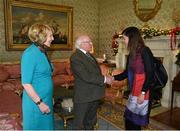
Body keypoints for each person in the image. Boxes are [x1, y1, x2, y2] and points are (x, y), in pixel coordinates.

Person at [113, 26, 154, 130]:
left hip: (143, 92)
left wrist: (143, 93)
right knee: (129, 119)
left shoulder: (145, 51)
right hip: (133, 92)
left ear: (132, 38)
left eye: (125, 38)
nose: (124, 41)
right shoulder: (132, 53)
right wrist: (113, 78)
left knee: (136, 122)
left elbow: (150, 74)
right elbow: (126, 73)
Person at [70, 35, 113, 130]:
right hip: (84, 96)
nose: (91, 44)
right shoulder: (75, 57)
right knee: (79, 124)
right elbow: (86, 76)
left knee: (91, 122)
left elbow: (95, 72)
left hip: (94, 94)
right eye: (89, 42)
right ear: (81, 44)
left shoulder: (89, 55)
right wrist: (105, 79)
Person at [21, 23, 54, 130]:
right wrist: (40, 103)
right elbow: (26, 83)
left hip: (45, 99)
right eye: (50, 36)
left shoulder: (42, 50)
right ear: (41, 36)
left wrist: (49, 97)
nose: (52, 38)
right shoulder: (30, 53)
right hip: (35, 103)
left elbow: (44, 76)